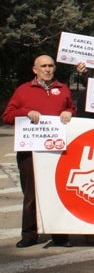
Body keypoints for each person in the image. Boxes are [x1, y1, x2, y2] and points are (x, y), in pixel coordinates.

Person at [3, 55, 76, 248]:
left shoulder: (63, 90)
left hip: (57, 152)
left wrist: (70, 113)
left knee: (58, 192)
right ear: (34, 69)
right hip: (31, 152)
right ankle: (29, 234)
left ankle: (60, 234)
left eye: (51, 66)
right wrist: (25, 112)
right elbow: (7, 115)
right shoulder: (23, 90)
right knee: (31, 195)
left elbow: (72, 111)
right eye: (43, 66)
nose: (47, 69)